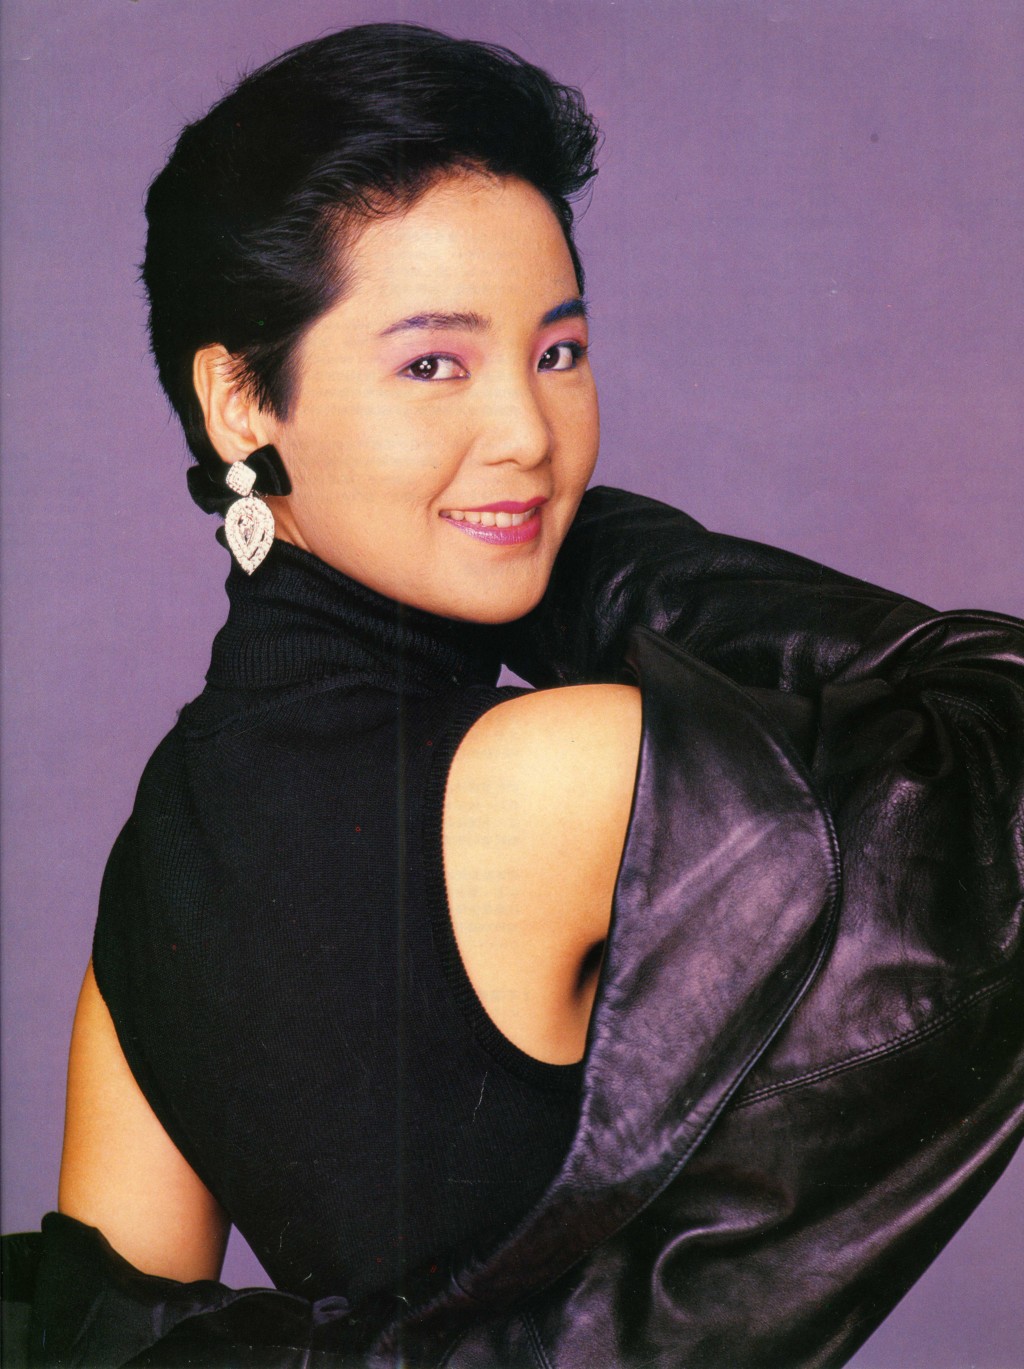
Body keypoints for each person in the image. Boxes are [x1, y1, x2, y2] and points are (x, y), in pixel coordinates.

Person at [5, 21, 1023, 1369]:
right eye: (433, 364)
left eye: (557, 352)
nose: (530, 437)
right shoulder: (555, 774)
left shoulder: (154, 868)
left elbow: (100, 1345)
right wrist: (582, 568)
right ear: (242, 399)